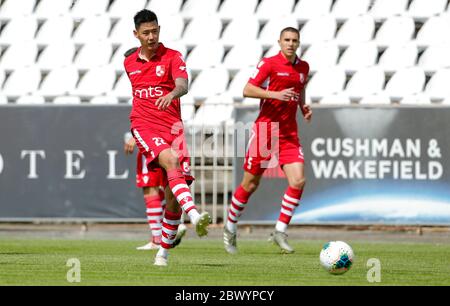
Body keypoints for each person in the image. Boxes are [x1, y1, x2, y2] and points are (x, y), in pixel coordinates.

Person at [124, 9, 210, 266]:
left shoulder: (173, 57)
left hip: (172, 128)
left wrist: (172, 94)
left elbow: (183, 84)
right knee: (170, 161)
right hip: (143, 125)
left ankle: (162, 253)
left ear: (159, 29)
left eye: (155, 31)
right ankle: (194, 215)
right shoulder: (129, 63)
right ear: (136, 34)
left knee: (173, 193)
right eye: (146, 32)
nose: (151, 36)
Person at [223, 27, 312, 255]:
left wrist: (303, 107)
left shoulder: (303, 67)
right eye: (287, 40)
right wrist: (274, 95)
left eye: (294, 40)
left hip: (289, 133)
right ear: (279, 42)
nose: (291, 44)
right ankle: (230, 225)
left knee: (298, 181)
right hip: (266, 131)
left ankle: (280, 231)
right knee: (250, 184)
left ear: (298, 43)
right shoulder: (270, 63)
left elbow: (300, 89)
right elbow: (247, 89)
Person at [123, 132, 186, 251]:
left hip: (151, 147)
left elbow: (149, 119)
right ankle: (174, 225)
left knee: (150, 189)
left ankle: (157, 239)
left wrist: (135, 136)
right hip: (168, 146)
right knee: (164, 190)